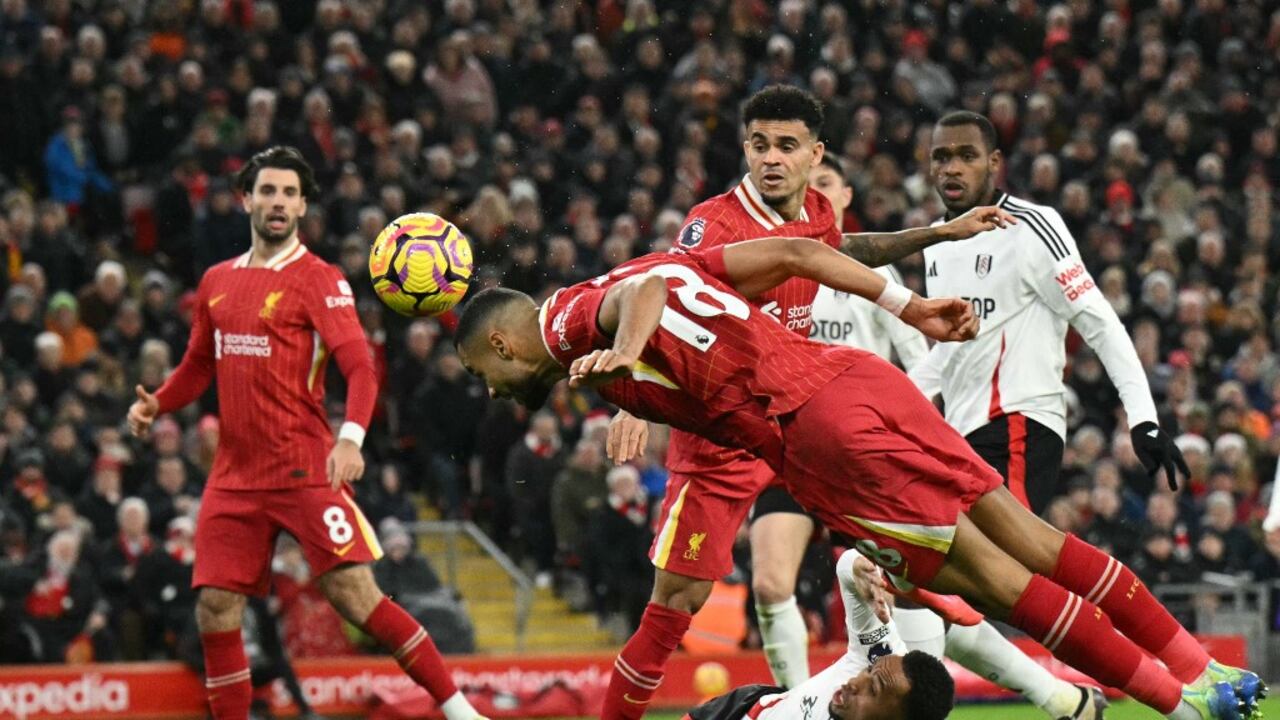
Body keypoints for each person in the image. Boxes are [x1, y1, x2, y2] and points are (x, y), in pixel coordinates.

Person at [453, 233, 1258, 719]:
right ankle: (1202, 669)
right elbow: (797, 255)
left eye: (484, 376)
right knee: (1033, 541)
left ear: (499, 344)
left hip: (817, 436)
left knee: (1000, 584)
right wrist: (909, 308)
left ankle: (1179, 703)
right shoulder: (659, 257)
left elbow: (645, 294)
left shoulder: (566, 326)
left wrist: (626, 351)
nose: (492, 393)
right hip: (857, 378)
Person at [601, 84, 1017, 714]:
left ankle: (937, 584)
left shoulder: (816, 210)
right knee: (678, 603)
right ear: (745, 148)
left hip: (793, 420)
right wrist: (631, 399)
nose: (771, 158)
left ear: (814, 153)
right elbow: (660, 298)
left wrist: (941, 233)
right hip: (718, 435)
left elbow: (844, 249)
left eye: (786, 146)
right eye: (759, 144)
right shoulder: (713, 224)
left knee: (893, 499)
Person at [126, 146, 488, 720]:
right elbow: (198, 365)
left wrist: (350, 438)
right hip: (234, 477)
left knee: (355, 596)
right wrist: (159, 402)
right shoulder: (216, 281)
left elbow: (361, 367)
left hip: (303, 467)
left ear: (301, 206)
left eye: (289, 193)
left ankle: (458, 709)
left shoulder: (320, 279)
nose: (278, 202)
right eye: (268, 190)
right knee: (215, 608)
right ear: (247, 199)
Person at [741, 157, 1105, 719]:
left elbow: (918, 363)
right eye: (808, 185)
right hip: (784, 449)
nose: (814, 192)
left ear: (846, 196)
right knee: (770, 584)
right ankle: (793, 707)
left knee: (920, 598)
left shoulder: (869, 273)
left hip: (859, 458)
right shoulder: (763, 265)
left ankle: (1058, 695)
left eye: (826, 183)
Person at [910, 111, 1189, 515]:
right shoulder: (937, 241)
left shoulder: (1033, 226)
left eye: (967, 156)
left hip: (1020, 425)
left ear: (994, 162)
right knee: (953, 553)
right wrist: (891, 405)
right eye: (941, 156)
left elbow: (1099, 322)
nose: (952, 168)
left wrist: (1143, 417)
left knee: (997, 548)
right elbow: (954, 349)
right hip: (960, 437)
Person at [682, 547, 954, 720]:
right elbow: (847, 566)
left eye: (873, 690)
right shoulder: (881, 654)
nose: (854, 682)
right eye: (868, 672)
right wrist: (859, 567)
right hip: (735, 713)